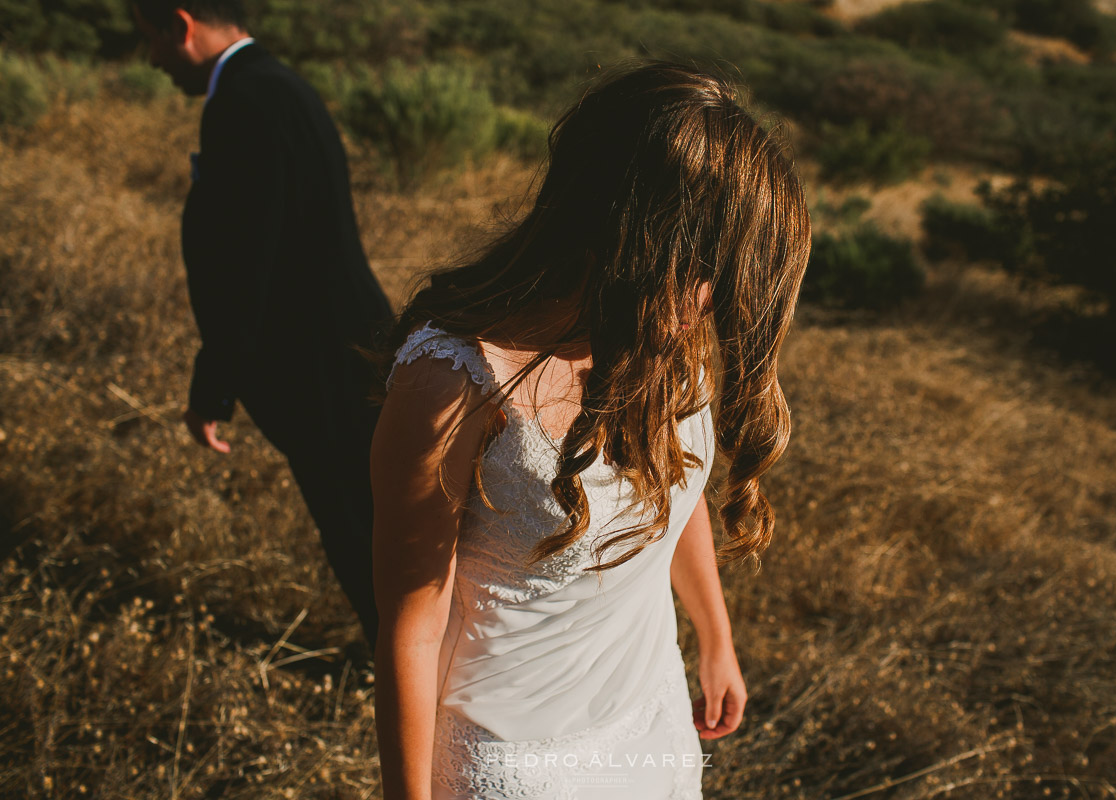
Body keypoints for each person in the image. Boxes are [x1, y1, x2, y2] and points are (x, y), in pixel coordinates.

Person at [371, 62, 811, 799]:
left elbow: (674, 484)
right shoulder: (452, 383)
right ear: (628, 234)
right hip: (516, 764)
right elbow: (410, 632)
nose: (710, 300)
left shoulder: (666, 335)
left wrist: (715, 636)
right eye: (701, 266)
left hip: (649, 719)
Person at [133, 0, 392, 649]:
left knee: (359, 531)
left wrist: (213, 387)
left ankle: (414, 682)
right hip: (355, 343)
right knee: (376, 522)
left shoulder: (242, 104)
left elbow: (244, 266)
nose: (151, 59)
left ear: (182, 26)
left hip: (317, 362)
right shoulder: (282, 85)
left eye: (152, 39)